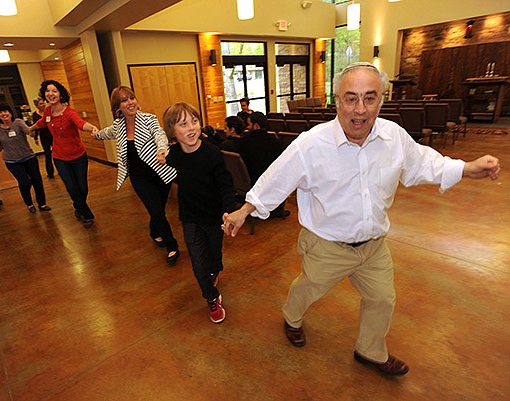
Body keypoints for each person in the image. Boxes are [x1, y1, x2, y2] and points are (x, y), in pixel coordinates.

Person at [221, 62, 500, 375]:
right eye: (351, 98)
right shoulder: (312, 144)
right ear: (337, 102)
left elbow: (424, 164)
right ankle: (292, 316)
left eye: (370, 98)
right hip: (327, 244)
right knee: (309, 287)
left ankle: (370, 351)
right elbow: (277, 178)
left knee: (382, 298)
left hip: (373, 246)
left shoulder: (393, 137)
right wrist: (245, 210)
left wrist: (467, 168)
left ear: (381, 101)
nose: (360, 109)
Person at [161, 102, 236, 323]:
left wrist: (227, 211)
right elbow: (166, 158)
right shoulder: (174, 154)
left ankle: (216, 268)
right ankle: (211, 298)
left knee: (213, 256)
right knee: (198, 263)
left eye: (194, 121)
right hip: (190, 218)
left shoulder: (212, 153)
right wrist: (163, 155)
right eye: (183, 124)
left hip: (214, 217)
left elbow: (225, 184)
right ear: (173, 132)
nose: (191, 128)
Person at [93, 86, 180, 264]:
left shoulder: (149, 119)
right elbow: (107, 133)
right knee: (157, 211)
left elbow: (159, 134)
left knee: (158, 211)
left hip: (160, 173)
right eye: (124, 100)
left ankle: (154, 231)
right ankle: (172, 246)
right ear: (118, 107)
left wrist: (162, 149)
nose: (130, 102)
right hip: (139, 178)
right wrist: (95, 135)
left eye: (131, 98)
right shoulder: (118, 126)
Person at [29, 80, 99, 228]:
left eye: (54, 91)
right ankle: (87, 215)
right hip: (60, 157)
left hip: (78, 155)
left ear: (60, 94)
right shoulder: (48, 111)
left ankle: (79, 207)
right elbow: (42, 122)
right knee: (71, 187)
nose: (50, 94)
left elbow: (80, 123)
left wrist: (92, 127)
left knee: (82, 188)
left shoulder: (69, 112)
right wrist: (31, 128)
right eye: (48, 91)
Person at [0, 103, 52, 214]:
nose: (4, 114)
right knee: (24, 182)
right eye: (0, 112)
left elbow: (30, 132)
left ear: (10, 113)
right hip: (12, 161)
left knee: (37, 181)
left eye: (6, 111)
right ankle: (29, 204)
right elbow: (1, 144)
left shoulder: (18, 122)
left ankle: (42, 203)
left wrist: (33, 130)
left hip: (28, 157)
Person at [238, 111, 289, 218]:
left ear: (256, 125)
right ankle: (277, 209)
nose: (247, 127)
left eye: (248, 124)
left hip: (250, 181)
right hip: (271, 182)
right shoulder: (276, 142)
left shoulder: (244, 142)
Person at [31, 97, 55, 178]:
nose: (43, 105)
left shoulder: (49, 111)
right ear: (37, 106)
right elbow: (36, 126)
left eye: (43, 103)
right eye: (41, 103)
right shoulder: (35, 114)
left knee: (57, 153)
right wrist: (35, 138)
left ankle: (61, 169)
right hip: (44, 136)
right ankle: (50, 172)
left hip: (53, 135)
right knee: (47, 154)